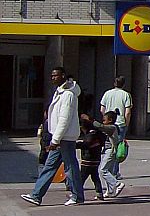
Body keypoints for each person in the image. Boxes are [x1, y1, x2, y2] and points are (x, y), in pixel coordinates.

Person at [22, 67, 85, 206]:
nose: (53, 78)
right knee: (49, 167)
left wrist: (55, 140)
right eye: (52, 75)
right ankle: (36, 195)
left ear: (63, 76)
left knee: (70, 167)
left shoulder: (68, 94)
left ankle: (77, 196)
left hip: (65, 138)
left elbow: (64, 119)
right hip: (58, 137)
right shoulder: (59, 92)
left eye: (56, 75)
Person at [99, 76, 131, 176]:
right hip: (120, 123)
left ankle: (107, 168)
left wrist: (105, 120)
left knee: (108, 146)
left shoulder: (107, 93)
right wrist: (126, 124)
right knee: (117, 148)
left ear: (114, 83)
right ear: (123, 84)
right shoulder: (126, 95)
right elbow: (127, 112)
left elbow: (102, 109)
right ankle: (114, 171)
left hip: (108, 123)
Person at [93, 111, 126, 198]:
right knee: (109, 171)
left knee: (103, 170)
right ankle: (110, 191)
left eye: (104, 120)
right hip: (107, 151)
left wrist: (91, 121)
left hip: (110, 151)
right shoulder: (111, 128)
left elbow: (101, 126)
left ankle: (117, 184)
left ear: (110, 120)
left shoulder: (112, 127)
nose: (103, 122)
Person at [76, 115, 108, 201]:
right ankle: (99, 193)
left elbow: (86, 145)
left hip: (88, 160)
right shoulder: (97, 133)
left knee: (81, 178)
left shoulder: (90, 135)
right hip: (96, 159)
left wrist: (75, 145)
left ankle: (77, 194)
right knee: (95, 177)